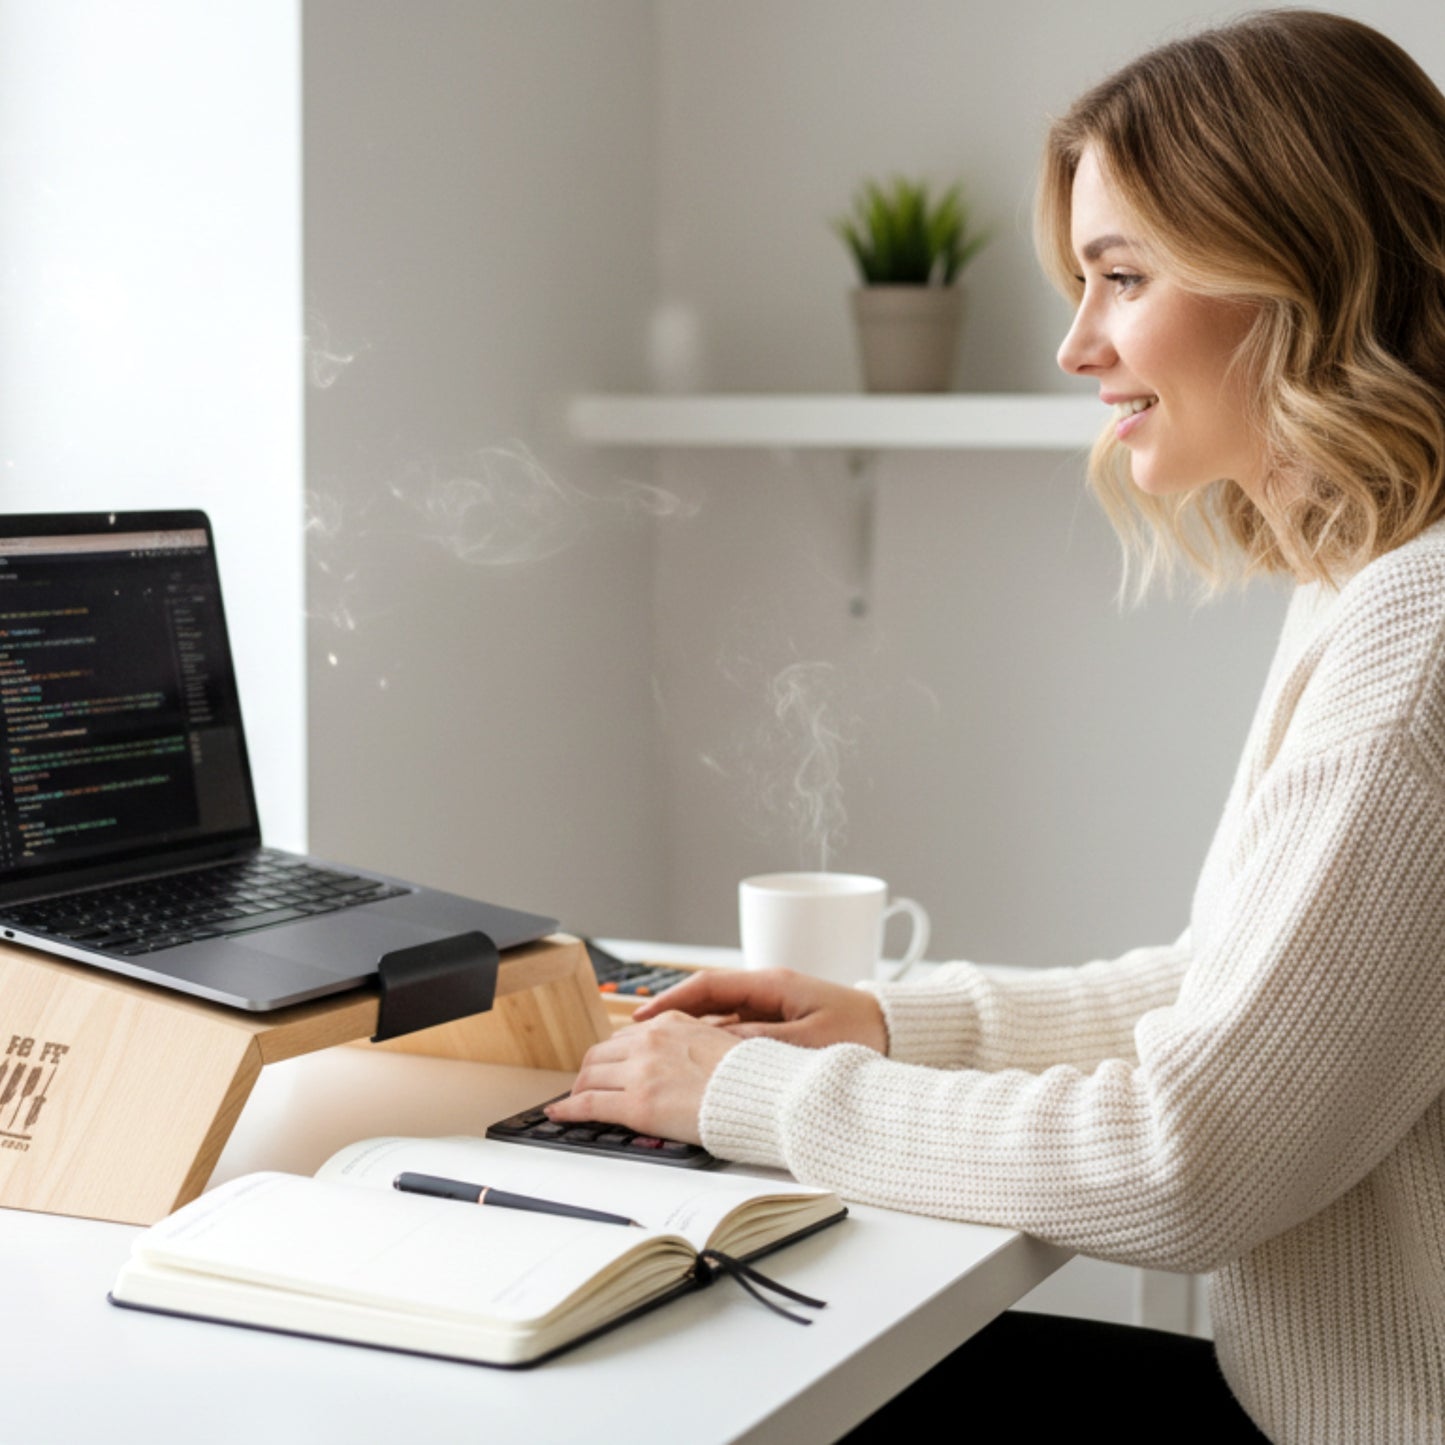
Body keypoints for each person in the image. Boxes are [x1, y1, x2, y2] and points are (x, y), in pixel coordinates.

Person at [548, 11, 1445, 1442]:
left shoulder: (1419, 627)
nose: (1075, 340)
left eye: (1120, 276)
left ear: (1298, 271)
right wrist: (896, 1023)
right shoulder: (1372, 575)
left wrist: (757, 1095)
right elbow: (1242, 995)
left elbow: (1185, 1160)